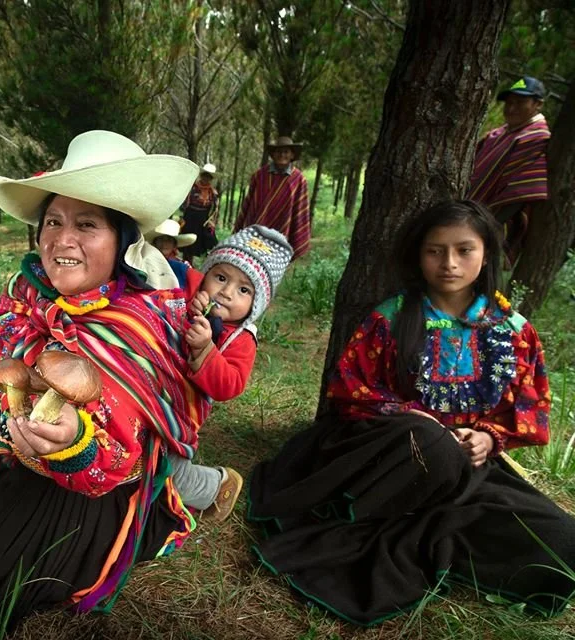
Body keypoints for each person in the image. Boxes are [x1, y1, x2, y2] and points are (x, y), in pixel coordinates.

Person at [0, 130, 208, 628]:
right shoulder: (23, 297)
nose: (63, 239)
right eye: (53, 221)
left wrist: (71, 441)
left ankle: (201, 487)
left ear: (122, 241)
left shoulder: (136, 329)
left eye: (87, 224)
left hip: (83, 488)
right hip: (7, 451)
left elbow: (118, 457)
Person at [246, 200, 575, 625]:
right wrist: (416, 420)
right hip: (392, 456)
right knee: (433, 446)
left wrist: (490, 438)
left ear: (487, 253)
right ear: (419, 255)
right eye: (435, 250)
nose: (449, 263)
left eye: (464, 250)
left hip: (471, 474)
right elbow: (348, 389)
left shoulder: (514, 331)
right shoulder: (391, 319)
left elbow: (530, 407)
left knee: (563, 544)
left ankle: (437, 529)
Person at [171, 225, 293, 521]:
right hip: (153, 392)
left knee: (167, 469)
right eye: (221, 277)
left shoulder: (240, 339)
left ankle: (216, 487)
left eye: (243, 289)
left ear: (257, 303)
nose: (226, 293)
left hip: (180, 413)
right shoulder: (193, 299)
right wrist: (189, 308)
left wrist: (205, 351)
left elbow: (230, 385)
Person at [468, 76, 551, 265]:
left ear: (538, 104)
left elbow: (522, 191)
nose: (511, 108)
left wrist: (488, 225)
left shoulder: (536, 137)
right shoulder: (501, 133)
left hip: (489, 225)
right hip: (468, 214)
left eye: (520, 103)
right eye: (509, 102)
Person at [234, 137, 310, 260]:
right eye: (278, 152)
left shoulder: (299, 180)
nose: (282, 155)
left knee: (272, 268)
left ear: (292, 155)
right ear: (273, 154)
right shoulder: (260, 175)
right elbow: (249, 204)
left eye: (286, 152)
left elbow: (300, 213)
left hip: (281, 234)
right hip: (254, 232)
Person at [180, 163, 220, 262]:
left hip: (202, 219)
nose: (206, 178)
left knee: (201, 242)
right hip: (190, 217)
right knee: (187, 241)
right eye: (205, 175)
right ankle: (186, 261)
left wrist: (212, 221)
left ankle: (199, 262)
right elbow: (184, 203)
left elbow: (215, 209)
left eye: (209, 177)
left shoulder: (213, 193)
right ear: (201, 175)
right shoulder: (192, 188)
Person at [146, 218, 196, 287]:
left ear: (174, 245)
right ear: (155, 243)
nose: (164, 243)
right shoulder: (145, 260)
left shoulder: (183, 266)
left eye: (169, 240)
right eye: (161, 239)